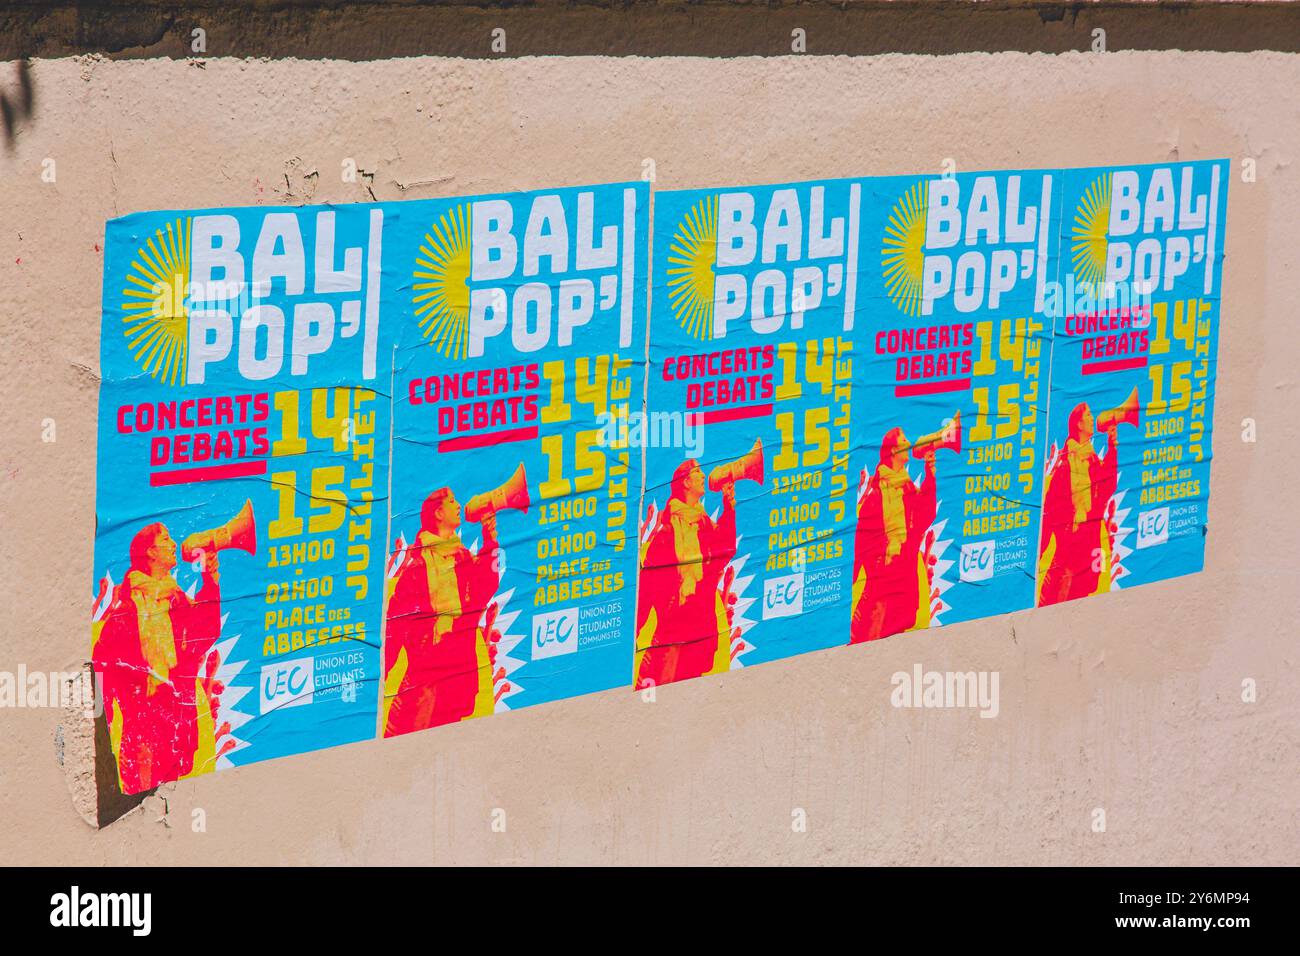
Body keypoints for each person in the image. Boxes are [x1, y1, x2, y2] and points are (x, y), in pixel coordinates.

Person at [93, 522, 223, 794]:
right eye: (166, 539)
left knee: (173, 795)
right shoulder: (127, 610)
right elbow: (103, 669)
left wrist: (211, 581)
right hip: (142, 728)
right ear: (151, 552)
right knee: (143, 798)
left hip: (176, 720)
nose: (174, 544)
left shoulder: (177, 602)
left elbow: (206, 634)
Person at [384, 487, 500, 736]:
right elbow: (395, 629)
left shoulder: (462, 557)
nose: (459, 505)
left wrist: (489, 539)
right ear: (438, 513)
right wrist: (378, 679)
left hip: (455, 677)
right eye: (452, 501)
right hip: (424, 684)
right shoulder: (418, 566)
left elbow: (484, 590)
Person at [635, 459, 737, 688]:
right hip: (671, 638)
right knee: (656, 694)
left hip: (699, 633)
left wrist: (729, 506)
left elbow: (726, 550)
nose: (704, 476)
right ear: (686, 483)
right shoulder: (667, 532)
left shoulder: (704, 525)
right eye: (698, 472)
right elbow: (648, 589)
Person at [851, 428, 937, 643]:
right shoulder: (877, 495)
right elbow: (861, 545)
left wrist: (930, 472)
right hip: (881, 590)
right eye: (904, 440)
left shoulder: (906, 487)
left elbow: (925, 517)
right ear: (893, 450)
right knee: (869, 641)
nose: (910, 443)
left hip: (904, 585)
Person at [1038, 402, 1119, 606]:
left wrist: (1112, 446)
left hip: (1088, 548)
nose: (1093, 419)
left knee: (1083, 600)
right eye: (1089, 415)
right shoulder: (1066, 466)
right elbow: (1050, 512)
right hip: (1068, 553)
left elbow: (1107, 487)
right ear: (1079, 424)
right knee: (1056, 601)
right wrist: (1039, 554)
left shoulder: (1092, 461)